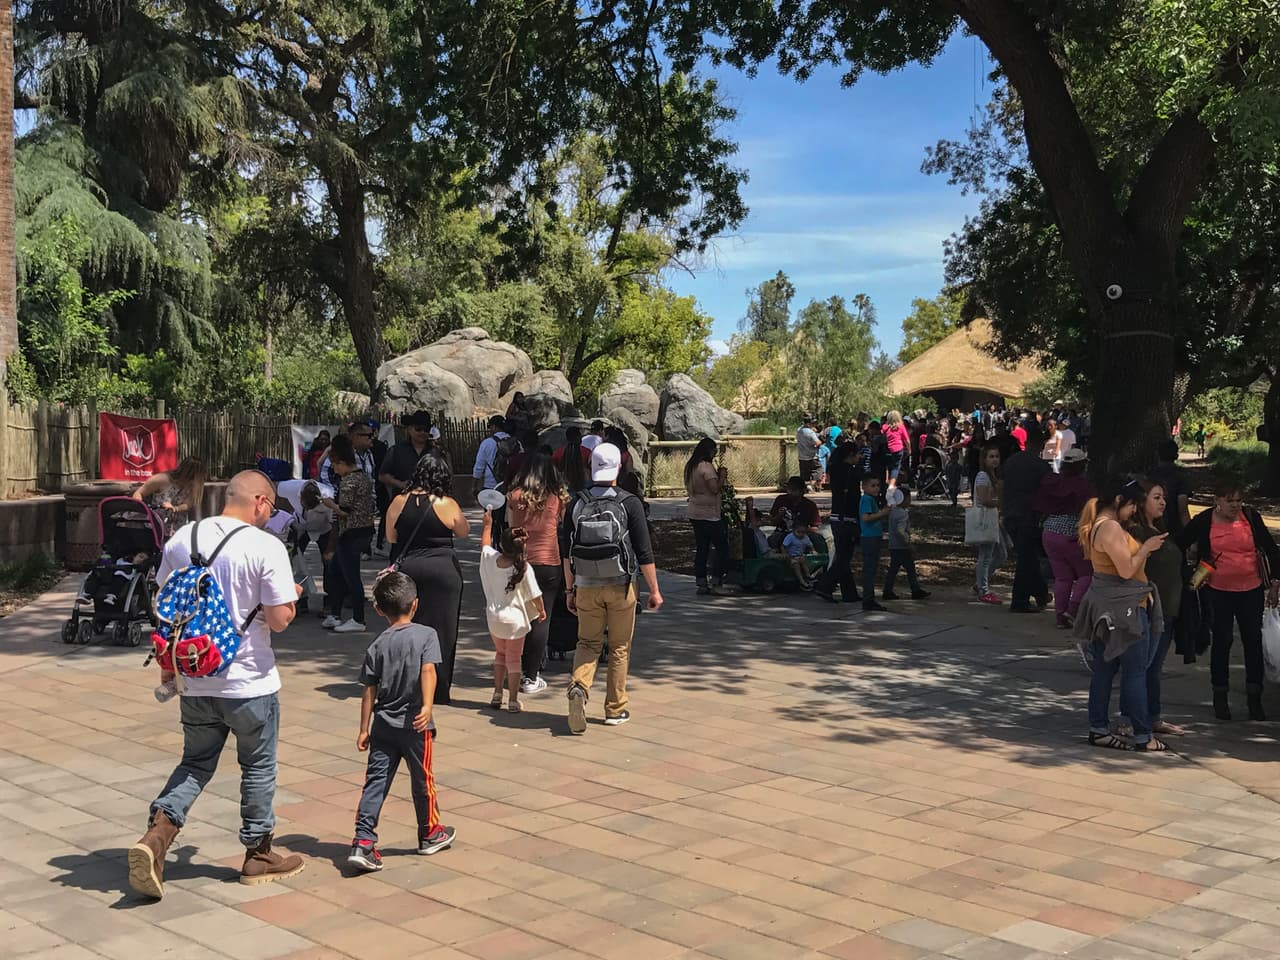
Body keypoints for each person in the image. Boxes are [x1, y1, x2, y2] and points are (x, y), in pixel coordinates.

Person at [127, 471, 304, 899]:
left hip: (195, 675)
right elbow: (279, 621)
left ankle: (156, 838)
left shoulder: (183, 539)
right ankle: (258, 853)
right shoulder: (265, 546)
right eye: (271, 507)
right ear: (260, 501)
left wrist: (168, 672)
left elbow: (166, 608)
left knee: (195, 763)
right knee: (258, 766)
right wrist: (290, 597)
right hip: (249, 681)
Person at [347, 571, 454, 873]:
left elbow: (369, 689)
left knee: (375, 782)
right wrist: (428, 705)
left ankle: (363, 841)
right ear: (416, 604)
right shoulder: (426, 635)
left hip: (382, 725)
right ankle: (430, 831)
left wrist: (363, 728)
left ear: (379, 610)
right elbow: (429, 671)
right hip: (416, 725)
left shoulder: (377, 645)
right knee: (423, 780)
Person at [562, 443, 661, 733]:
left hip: (586, 586)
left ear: (591, 468)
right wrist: (654, 590)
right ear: (618, 468)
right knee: (619, 647)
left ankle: (579, 687)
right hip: (622, 585)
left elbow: (566, 552)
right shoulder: (629, 503)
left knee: (588, 643)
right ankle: (615, 708)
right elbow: (644, 552)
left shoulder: (576, 503)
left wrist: (570, 590)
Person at [1074, 478, 1168, 752]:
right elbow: (1126, 570)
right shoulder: (1110, 528)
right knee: (1135, 672)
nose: (1133, 512)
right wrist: (1146, 549)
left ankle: (1099, 728)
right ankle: (1142, 735)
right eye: (1131, 506)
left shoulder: (1100, 526)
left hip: (1109, 606)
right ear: (1118, 501)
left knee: (1105, 670)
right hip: (1123, 609)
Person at [1177, 476, 1280, 721]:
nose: (1235, 505)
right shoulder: (1204, 521)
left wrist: (1275, 583)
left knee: (1253, 642)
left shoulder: (1251, 518)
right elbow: (1180, 543)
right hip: (1218, 591)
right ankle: (1220, 696)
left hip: (1251, 590)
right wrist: (1191, 574)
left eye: (1239, 500)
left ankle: (1255, 698)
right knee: (1222, 642)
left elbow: (1272, 550)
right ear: (1217, 502)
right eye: (1229, 501)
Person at [386, 451, 470, 705]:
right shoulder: (447, 504)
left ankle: (408, 686)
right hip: (443, 570)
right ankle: (438, 689)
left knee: (409, 627)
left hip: (410, 568)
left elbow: (391, 537)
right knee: (443, 631)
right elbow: (464, 531)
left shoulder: (399, 501)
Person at [1126, 478, 1187, 738]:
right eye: (1156, 497)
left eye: (1164, 497)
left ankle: (1152, 716)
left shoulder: (1160, 530)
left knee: (1154, 667)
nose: (1163, 502)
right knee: (1141, 668)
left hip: (1169, 611)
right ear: (1141, 502)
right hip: (1149, 609)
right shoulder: (1138, 532)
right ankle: (1132, 718)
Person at [507, 451, 568, 696]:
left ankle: (514, 669)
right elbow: (564, 525)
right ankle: (531, 675)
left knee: (519, 617)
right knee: (542, 617)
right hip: (549, 562)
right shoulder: (557, 498)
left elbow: (512, 529)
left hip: (522, 562)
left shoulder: (515, 497)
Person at [479, 507, 546, 713]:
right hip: (516, 620)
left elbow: (484, 544)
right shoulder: (523, 568)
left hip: (494, 618)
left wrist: (487, 525)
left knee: (500, 654)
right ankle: (514, 699)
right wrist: (541, 611)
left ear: (501, 544)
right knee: (514, 658)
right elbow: (536, 595)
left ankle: (497, 693)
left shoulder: (491, 559)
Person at [1033, 448, 1096, 628]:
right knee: (1087, 574)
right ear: (1082, 465)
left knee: (1062, 578)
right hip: (1073, 534)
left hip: (1050, 532)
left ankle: (1060, 616)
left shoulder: (1052, 482)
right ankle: (1073, 609)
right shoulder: (1083, 486)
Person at [320, 435, 375, 634]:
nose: (334, 469)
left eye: (335, 465)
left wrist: (329, 504)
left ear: (342, 463)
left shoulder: (349, 481)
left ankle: (358, 619)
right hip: (362, 530)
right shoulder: (363, 476)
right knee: (336, 571)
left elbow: (344, 510)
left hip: (352, 532)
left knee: (351, 576)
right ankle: (335, 614)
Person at [378, 411, 436, 561]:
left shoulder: (436, 452)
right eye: (418, 429)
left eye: (426, 429)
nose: (423, 433)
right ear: (409, 429)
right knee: (400, 548)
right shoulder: (396, 451)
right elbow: (382, 475)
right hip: (402, 504)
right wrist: (400, 484)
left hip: (430, 506)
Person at [1000, 443, 1052, 613]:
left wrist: (1002, 509)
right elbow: (1048, 491)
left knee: (1027, 557)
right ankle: (1019, 600)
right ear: (1040, 446)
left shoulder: (1010, 462)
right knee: (1027, 559)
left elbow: (1002, 486)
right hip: (1029, 516)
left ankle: (1041, 593)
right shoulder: (1042, 466)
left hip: (1010, 513)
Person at [684, 437, 734, 596]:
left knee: (702, 548)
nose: (715, 455)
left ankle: (701, 581)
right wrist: (722, 476)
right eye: (714, 451)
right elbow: (714, 488)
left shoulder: (691, 466)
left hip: (695, 511)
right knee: (721, 548)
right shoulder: (706, 467)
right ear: (709, 451)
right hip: (710, 514)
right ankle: (717, 580)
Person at [814, 442, 862, 603]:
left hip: (836, 516)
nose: (860, 457)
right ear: (851, 455)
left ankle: (850, 593)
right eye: (857, 454)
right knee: (844, 558)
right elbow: (855, 498)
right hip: (847, 518)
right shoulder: (852, 473)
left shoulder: (835, 469)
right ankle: (825, 585)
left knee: (843, 556)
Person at [132, 457, 206, 539]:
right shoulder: (162, 479)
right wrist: (141, 509)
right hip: (153, 528)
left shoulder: (194, 487)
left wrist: (175, 508)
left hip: (176, 531)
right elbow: (139, 493)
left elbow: (188, 504)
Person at [972, 444, 1007, 604]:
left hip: (993, 518)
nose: (994, 460)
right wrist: (1000, 500)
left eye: (997, 456)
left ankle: (980, 582)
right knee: (985, 556)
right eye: (991, 457)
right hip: (985, 519)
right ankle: (983, 589)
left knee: (1001, 554)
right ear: (984, 460)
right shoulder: (982, 476)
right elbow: (984, 499)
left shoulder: (994, 477)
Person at [883, 486, 929, 601]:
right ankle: (914, 590)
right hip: (902, 546)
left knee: (897, 569)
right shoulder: (903, 514)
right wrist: (908, 543)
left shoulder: (892, 512)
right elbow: (901, 530)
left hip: (893, 544)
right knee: (907, 568)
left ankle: (891, 590)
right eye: (908, 498)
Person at [1147, 439, 1191, 539]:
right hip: (1175, 529)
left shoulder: (1149, 475)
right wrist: (1190, 534)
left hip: (1153, 527)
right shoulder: (1181, 476)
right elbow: (1183, 510)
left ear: (1157, 454)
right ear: (1176, 455)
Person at [859, 474, 890, 612]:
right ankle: (868, 599)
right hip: (869, 537)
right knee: (869, 569)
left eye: (878, 485)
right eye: (872, 485)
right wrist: (883, 513)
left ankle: (869, 598)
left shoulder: (872, 499)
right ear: (864, 487)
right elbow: (866, 518)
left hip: (874, 536)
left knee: (872, 568)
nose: (876, 488)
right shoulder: (866, 499)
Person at [768, 476, 822, 549]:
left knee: (817, 539)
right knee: (773, 539)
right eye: (789, 489)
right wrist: (779, 515)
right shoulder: (780, 500)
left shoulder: (810, 505)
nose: (790, 492)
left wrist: (801, 531)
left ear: (802, 491)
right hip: (783, 533)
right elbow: (772, 522)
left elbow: (815, 527)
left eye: (794, 490)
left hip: (803, 534)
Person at [472, 415, 516, 496]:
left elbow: (479, 466)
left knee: (490, 508)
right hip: (510, 486)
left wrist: (474, 485)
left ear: (494, 427)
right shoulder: (515, 442)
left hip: (491, 486)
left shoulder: (487, 443)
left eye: (490, 426)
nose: (489, 429)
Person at [782, 520, 818, 590]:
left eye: (803, 532)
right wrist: (785, 554)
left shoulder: (805, 538)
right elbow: (783, 546)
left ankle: (808, 575)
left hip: (800, 555)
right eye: (798, 532)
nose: (801, 534)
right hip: (790, 556)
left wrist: (813, 550)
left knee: (803, 560)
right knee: (795, 564)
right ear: (793, 530)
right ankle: (801, 581)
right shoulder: (790, 537)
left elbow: (810, 545)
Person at [554, 426, 590, 493]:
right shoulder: (586, 452)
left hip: (565, 488)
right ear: (578, 437)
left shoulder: (558, 452)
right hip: (583, 488)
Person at [881, 410, 911, 489]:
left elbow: (881, 436)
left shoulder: (885, 427)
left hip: (887, 450)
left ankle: (886, 482)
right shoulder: (901, 426)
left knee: (887, 466)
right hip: (898, 449)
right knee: (896, 467)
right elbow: (906, 440)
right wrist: (909, 449)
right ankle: (892, 484)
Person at [796, 416, 821, 490]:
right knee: (818, 469)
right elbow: (817, 442)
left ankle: (804, 487)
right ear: (809, 424)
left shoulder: (799, 431)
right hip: (812, 456)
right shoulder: (810, 433)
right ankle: (811, 484)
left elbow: (800, 428)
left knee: (804, 473)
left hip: (801, 456)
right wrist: (819, 443)